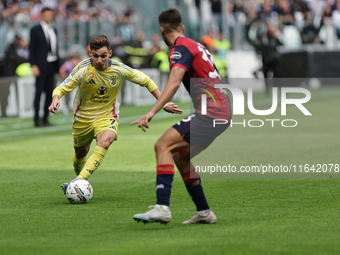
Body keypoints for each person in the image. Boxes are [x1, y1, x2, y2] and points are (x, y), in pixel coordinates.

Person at [131, 8, 231, 225]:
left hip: (211, 111)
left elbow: (174, 82)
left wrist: (151, 111)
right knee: (181, 156)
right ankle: (204, 212)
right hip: (221, 110)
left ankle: (162, 208)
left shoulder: (180, 47)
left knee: (162, 146)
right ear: (182, 27)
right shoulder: (195, 44)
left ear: (161, 29)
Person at [48, 35, 182, 194]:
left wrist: (164, 103)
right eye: (95, 56)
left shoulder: (119, 69)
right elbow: (61, 88)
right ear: (90, 54)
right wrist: (56, 99)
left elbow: (147, 81)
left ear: (110, 53)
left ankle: (77, 182)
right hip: (83, 118)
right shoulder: (82, 69)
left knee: (105, 142)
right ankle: (79, 179)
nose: (99, 60)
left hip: (107, 117)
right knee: (80, 152)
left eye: (103, 56)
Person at [29, 7, 59, 127]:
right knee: (39, 92)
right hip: (41, 65)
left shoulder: (54, 30)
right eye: (46, 15)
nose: (48, 17)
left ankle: (46, 118)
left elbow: (56, 48)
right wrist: (33, 64)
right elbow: (31, 49)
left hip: (52, 64)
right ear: (42, 15)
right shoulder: (35, 30)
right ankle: (36, 119)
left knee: (50, 93)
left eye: (50, 15)